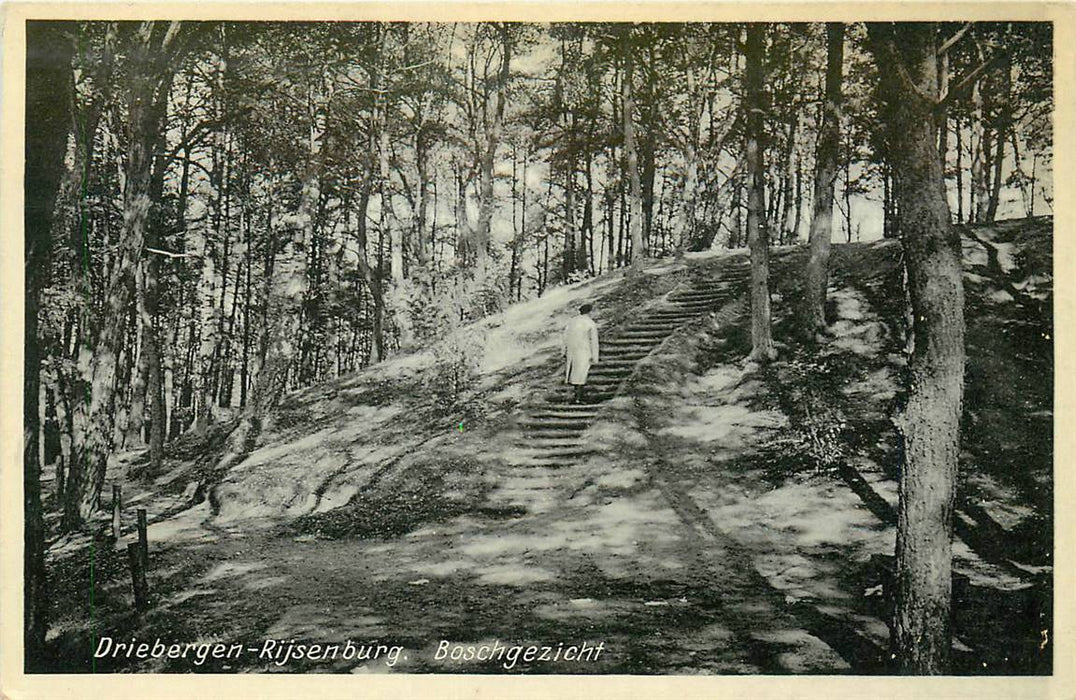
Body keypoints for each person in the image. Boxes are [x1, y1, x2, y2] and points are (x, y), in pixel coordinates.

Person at [563, 303, 600, 404]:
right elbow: (593, 341)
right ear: (589, 312)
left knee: (575, 373)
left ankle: (577, 396)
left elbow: (565, 337)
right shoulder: (590, 323)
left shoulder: (572, 321)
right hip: (584, 351)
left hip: (572, 350)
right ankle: (578, 398)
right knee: (581, 374)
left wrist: (564, 351)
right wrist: (594, 356)